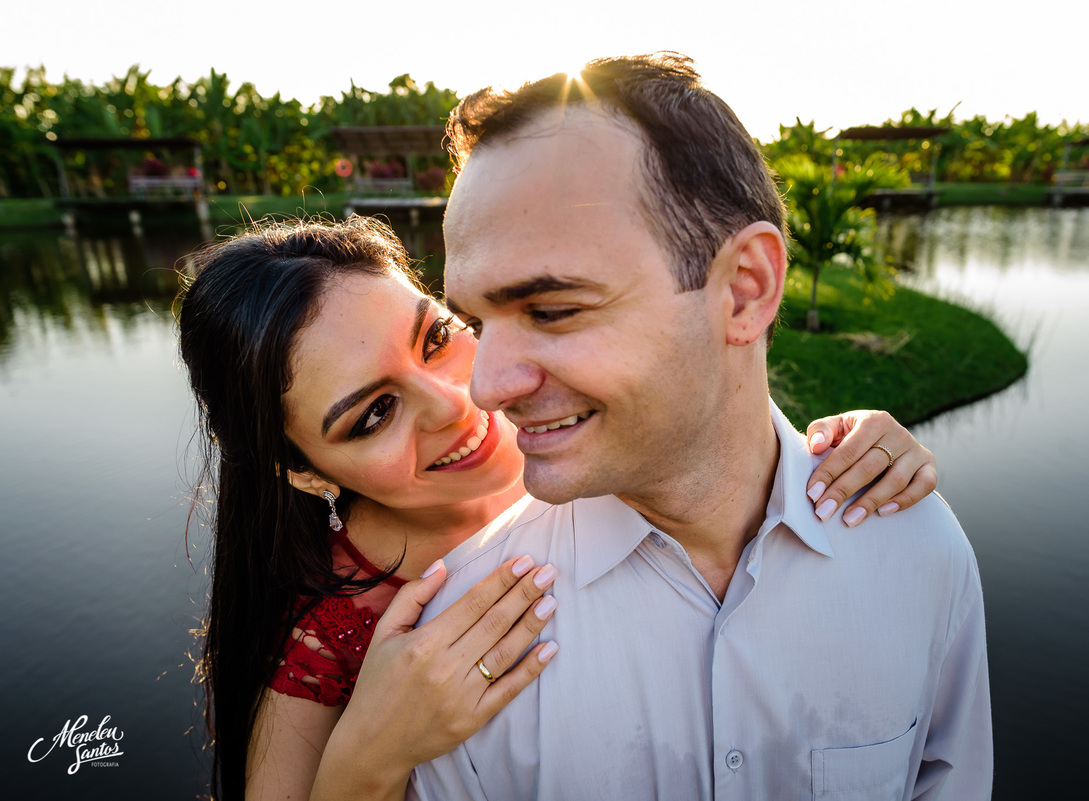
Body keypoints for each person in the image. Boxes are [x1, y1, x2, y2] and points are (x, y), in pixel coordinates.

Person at [176, 216, 940, 800]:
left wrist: (831, 452)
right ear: (305, 472)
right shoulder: (327, 637)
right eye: (374, 413)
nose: (456, 401)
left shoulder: (592, 446)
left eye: (437, 337)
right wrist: (372, 752)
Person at [410, 53, 991, 799]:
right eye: (474, 321)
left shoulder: (919, 551)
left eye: (551, 311)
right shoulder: (460, 640)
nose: (487, 388)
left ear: (744, 290)